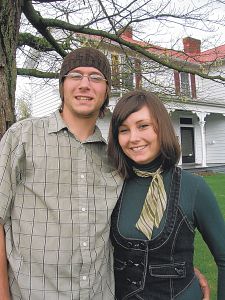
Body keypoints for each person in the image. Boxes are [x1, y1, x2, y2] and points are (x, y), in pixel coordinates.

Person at [0, 48, 209, 300]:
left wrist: (178, 269)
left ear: (106, 90)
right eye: (75, 75)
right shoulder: (22, 137)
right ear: (62, 85)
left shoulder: (116, 160)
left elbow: (129, 227)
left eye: (96, 77)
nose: (85, 85)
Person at [108, 89, 225, 300]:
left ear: (161, 127)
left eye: (143, 126)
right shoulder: (111, 186)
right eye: (124, 130)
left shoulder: (194, 187)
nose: (134, 138)